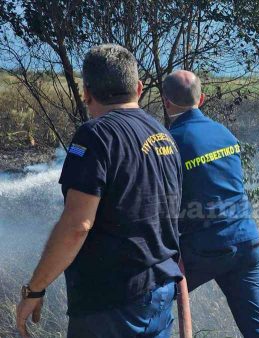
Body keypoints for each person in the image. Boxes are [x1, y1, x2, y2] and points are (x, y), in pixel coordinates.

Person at [16, 44, 185, 338]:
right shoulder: (164, 136)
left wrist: (35, 289)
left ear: (87, 93)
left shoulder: (95, 135)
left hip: (112, 305)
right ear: (139, 88)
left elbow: (77, 226)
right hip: (158, 293)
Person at [163, 70, 259, 338]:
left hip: (204, 248)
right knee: (258, 330)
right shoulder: (224, 133)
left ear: (166, 102)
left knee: (151, 301)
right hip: (246, 242)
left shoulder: (170, 142)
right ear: (201, 99)